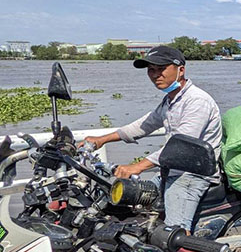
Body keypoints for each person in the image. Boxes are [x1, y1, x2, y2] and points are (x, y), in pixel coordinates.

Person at [83, 45, 223, 230]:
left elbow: (180, 147)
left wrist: (138, 166)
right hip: (171, 170)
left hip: (192, 175)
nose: (156, 75)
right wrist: (101, 139)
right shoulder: (171, 99)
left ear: (180, 70)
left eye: (161, 69)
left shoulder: (197, 101)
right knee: (134, 202)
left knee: (173, 233)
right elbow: (144, 125)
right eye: (151, 70)